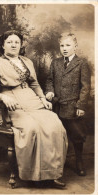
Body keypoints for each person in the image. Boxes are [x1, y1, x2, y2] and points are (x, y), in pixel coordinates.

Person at [0, 30, 68, 188]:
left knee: (55, 125)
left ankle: (53, 173)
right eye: (9, 42)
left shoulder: (27, 62)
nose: (13, 45)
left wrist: (43, 99)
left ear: (21, 45)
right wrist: (4, 97)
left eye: (16, 42)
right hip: (9, 106)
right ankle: (33, 174)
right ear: (3, 45)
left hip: (32, 100)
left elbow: (35, 84)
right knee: (32, 128)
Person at [45, 32, 91, 176]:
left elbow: (85, 87)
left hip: (73, 106)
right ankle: (59, 162)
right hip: (57, 106)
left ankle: (79, 161)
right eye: (62, 45)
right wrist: (50, 92)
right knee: (57, 135)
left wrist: (81, 106)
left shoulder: (81, 63)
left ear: (75, 47)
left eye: (68, 45)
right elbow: (49, 80)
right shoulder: (55, 62)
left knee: (76, 135)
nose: (64, 48)